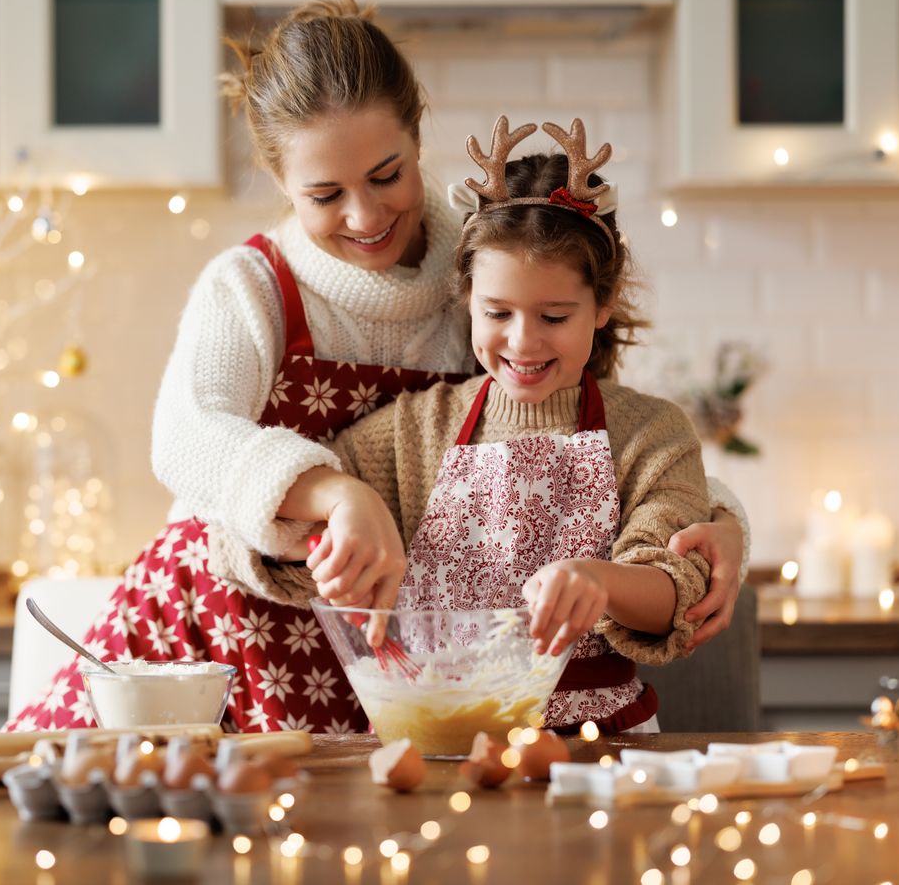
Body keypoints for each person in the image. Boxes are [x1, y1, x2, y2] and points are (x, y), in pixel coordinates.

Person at [6, 0, 747, 735]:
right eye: (326, 194)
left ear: (418, 138)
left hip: (394, 659)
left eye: (386, 175)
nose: (365, 217)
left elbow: (579, 433)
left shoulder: (494, 264)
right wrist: (338, 495)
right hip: (235, 621)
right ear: (281, 182)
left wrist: (718, 524)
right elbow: (186, 437)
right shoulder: (252, 285)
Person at [208, 118, 709, 732]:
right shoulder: (413, 432)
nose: (522, 341)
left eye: (554, 316)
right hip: (440, 739)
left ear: (602, 305)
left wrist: (600, 582)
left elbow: (677, 589)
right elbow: (244, 531)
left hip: (601, 748)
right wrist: (327, 543)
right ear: (467, 297)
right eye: (497, 312)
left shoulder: (651, 434)